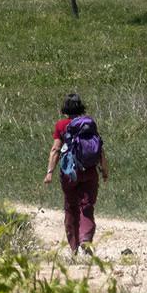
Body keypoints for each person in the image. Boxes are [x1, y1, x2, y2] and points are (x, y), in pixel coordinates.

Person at [46, 92, 108, 256]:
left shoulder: (61, 125)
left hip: (69, 173)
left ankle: (74, 247)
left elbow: (55, 149)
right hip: (90, 171)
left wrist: (50, 172)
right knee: (87, 206)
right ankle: (86, 239)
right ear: (81, 108)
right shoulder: (89, 123)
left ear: (64, 109)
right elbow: (99, 148)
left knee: (71, 207)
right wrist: (104, 170)